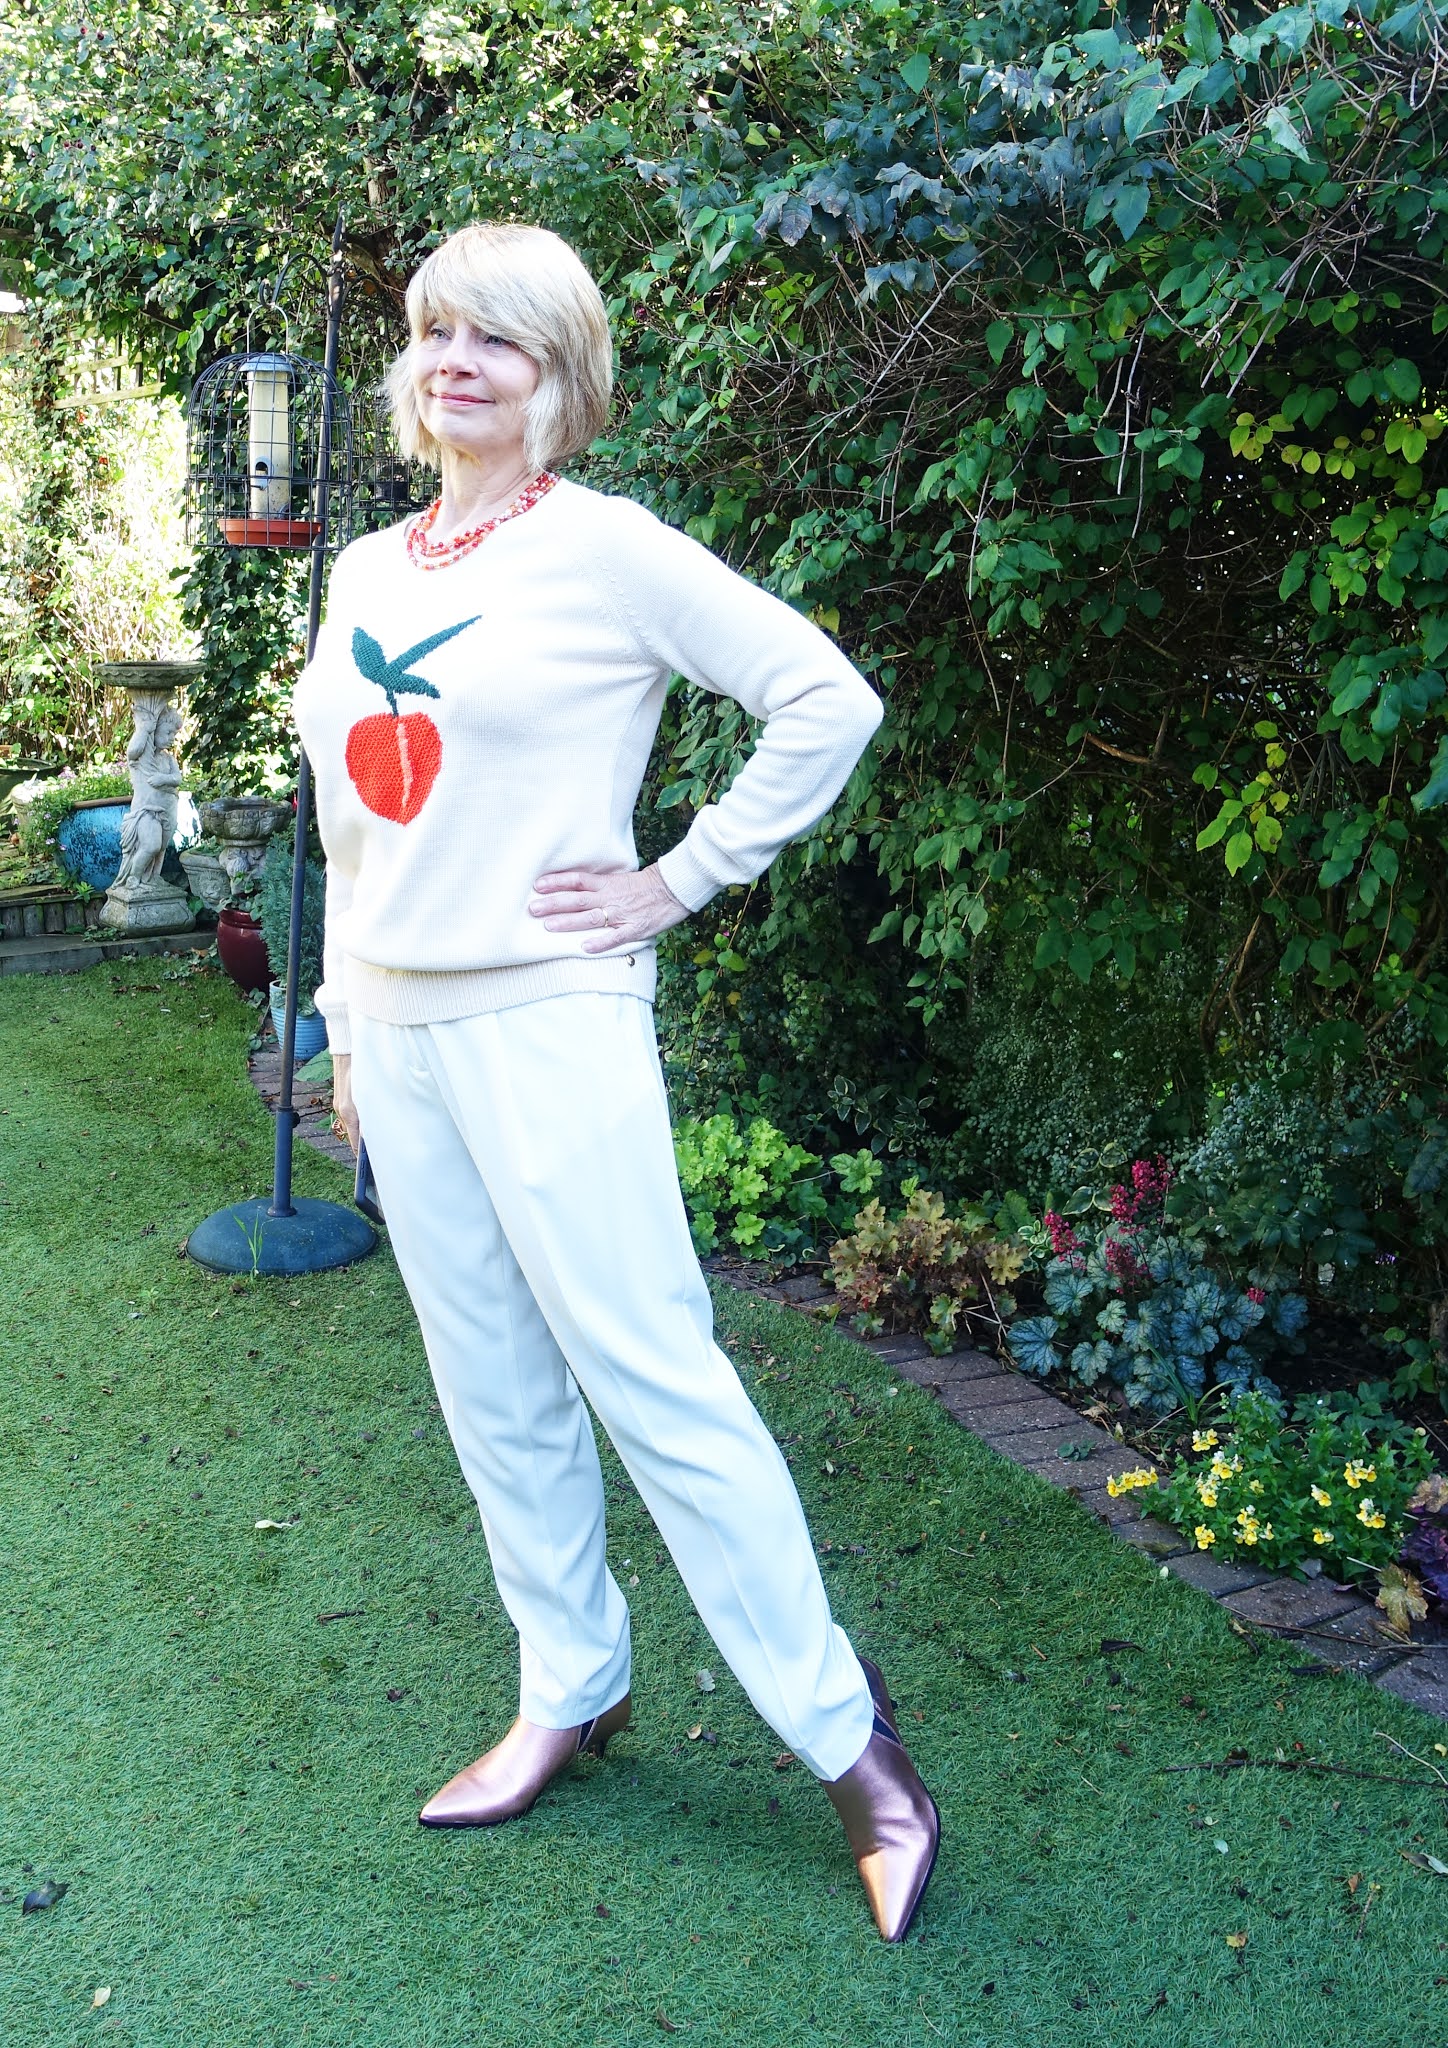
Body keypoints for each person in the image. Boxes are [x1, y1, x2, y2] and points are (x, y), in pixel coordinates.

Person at [292, 222, 939, 1942]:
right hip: (405, 1033)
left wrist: (682, 875)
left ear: (559, 375)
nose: (455, 362)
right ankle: (569, 1688)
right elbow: (360, 833)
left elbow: (826, 700)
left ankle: (855, 1748)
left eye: (495, 340)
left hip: (552, 1021)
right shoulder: (365, 570)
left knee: (657, 1378)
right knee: (492, 1384)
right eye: (435, 332)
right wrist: (352, 1030)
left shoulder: (608, 549)